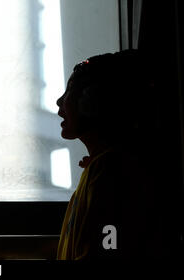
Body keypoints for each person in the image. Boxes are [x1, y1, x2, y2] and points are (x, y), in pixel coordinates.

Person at [55, 50, 161, 259]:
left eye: (69, 91)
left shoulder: (109, 170)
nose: (59, 101)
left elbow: (107, 249)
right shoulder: (102, 167)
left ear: (92, 101)